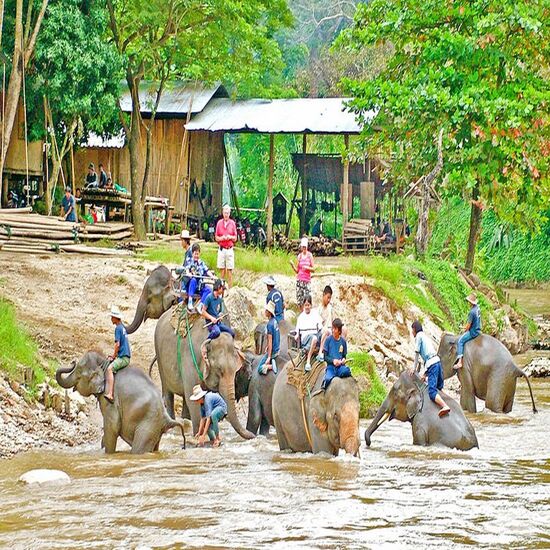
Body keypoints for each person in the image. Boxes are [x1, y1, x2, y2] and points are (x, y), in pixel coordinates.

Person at [411, 320, 451, 417]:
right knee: (439, 388)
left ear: (415, 329)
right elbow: (429, 355)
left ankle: (444, 406)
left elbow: (417, 353)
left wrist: (414, 368)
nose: (412, 332)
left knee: (432, 392)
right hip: (437, 363)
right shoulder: (425, 336)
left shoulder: (418, 337)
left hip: (432, 365)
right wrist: (425, 374)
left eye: (412, 330)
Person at [104, 305, 131, 403]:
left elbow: (117, 344)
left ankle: (110, 393)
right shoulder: (122, 327)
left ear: (116, 318)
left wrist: (113, 356)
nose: (111, 319)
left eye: (112, 317)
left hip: (123, 358)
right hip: (126, 356)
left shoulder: (118, 329)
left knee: (109, 369)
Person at [321, 318, 351, 390]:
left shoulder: (343, 341)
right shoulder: (328, 340)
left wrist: (343, 360)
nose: (333, 330)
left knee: (347, 371)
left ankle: (337, 374)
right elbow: (325, 357)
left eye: (335, 329)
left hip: (340, 367)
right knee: (327, 379)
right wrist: (333, 361)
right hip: (331, 367)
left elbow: (344, 356)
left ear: (339, 330)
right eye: (332, 328)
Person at [184, 243, 215, 312]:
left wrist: (212, 276)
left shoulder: (201, 263)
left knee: (208, 290)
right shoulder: (189, 261)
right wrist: (188, 273)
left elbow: (207, 271)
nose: (196, 256)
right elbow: (186, 269)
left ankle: (201, 305)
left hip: (199, 285)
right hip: (191, 285)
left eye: (197, 254)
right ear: (192, 254)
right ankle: (190, 300)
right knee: (193, 280)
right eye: (195, 254)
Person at [296, 294, 323, 372]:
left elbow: (320, 326)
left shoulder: (315, 314)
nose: (307, 307)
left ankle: (321, 353)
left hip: (315, 335)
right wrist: (297, 335)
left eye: (309, 305)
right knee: (314, 338)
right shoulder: (301, 317)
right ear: (304, 306)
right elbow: (297, 330)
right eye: (306, 305)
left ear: (311, 305)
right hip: (306, 338)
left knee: (325, 332)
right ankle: (308, 361)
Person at [454, 294, 481, 370]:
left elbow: (468, 326)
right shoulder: (478, 308)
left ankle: (460, 362)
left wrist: (464, 329)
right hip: (478, 329)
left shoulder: (471, 312)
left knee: (460, 341)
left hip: (473, 332)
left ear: (470, 302)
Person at [215, 204, 237, 288]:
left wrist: (230, 237)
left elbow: (235, 238)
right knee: (222, 270)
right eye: (225, 213)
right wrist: (222, 238)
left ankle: (230, 289)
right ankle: (221, 288)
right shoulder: (219, 223)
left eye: (227, 213)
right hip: (221, 248)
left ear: (229, 213)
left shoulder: (232, 223)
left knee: (230, 270)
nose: (226, 215)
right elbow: (216, 237)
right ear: (222, 213)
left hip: (229, 249)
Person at [290, 237, 315, 306]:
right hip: (300, 280)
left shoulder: (310, 255)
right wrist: (292, 265)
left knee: (307, 299)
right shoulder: (299, 256)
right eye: (302, 247)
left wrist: (307, 268)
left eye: (305, 247)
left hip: (307, 281)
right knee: (300, 300)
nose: (304, 248)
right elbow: (297, 271)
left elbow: (313, 269)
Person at [258, 301, 280, 375]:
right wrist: (267, 346)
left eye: (266, 310)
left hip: (273, 352)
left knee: (259, 369)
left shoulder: (269, 325)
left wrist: (269, 357)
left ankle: (270, 366)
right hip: (277, 349)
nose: (265, 312)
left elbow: (270, 341)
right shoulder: (275, 321)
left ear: (269, 312)